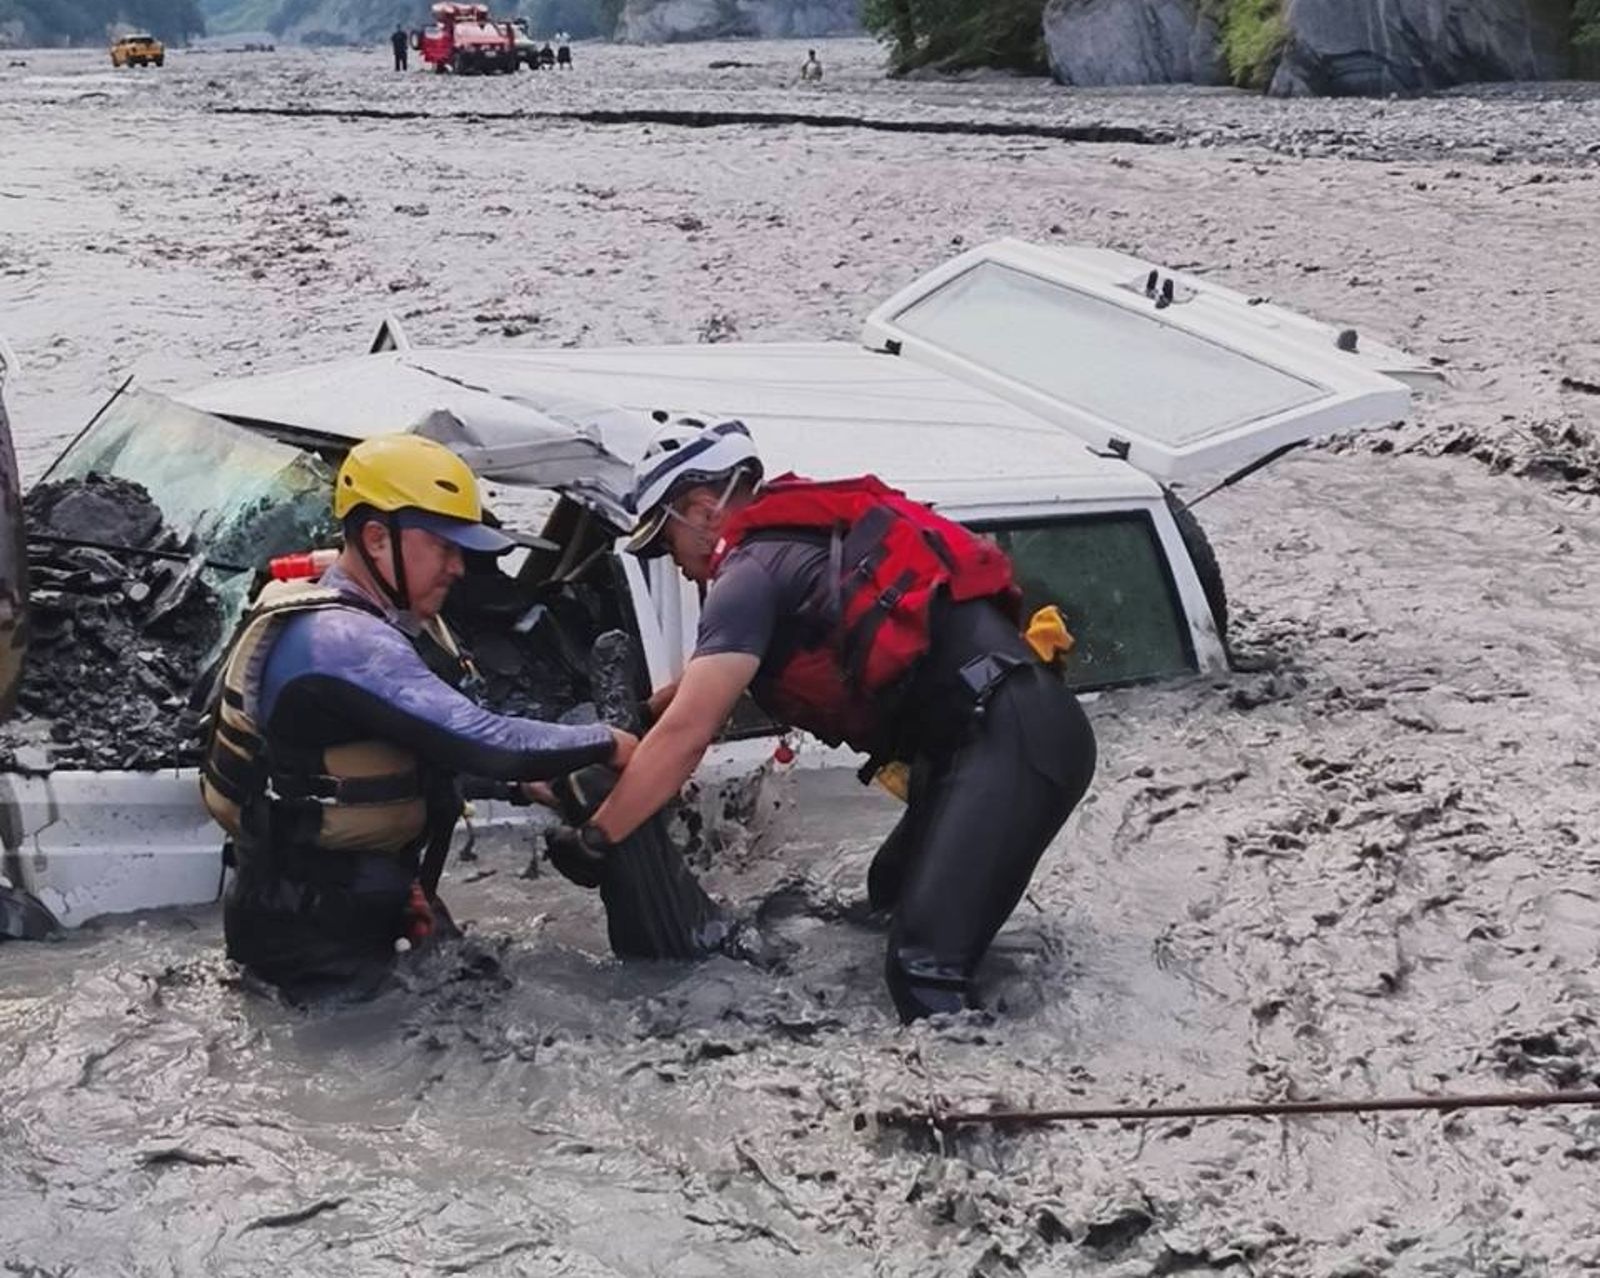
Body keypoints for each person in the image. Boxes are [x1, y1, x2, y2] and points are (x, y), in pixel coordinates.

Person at [556, 420, 1096, 1021]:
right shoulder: (789, 545)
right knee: (888, 900)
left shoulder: (748, 573)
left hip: (1010, 736)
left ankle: (982, 1108)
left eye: (664, 543)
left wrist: (596, 838)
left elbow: (690, 733)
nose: (673, 564)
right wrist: (637, 719)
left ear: (703, 511)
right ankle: (1003, 1019)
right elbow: (697, 697)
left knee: (921, 967)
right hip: (988, 732)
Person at [201, 434, 635, 1000]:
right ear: (378, 539)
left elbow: (383, 759)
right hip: (315, 937)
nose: (459, 567)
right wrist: (608, 742)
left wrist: (526, 789)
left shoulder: (365, 617)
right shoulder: (341, 641)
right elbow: (486, 740)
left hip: (343, 902)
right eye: (445, 547)